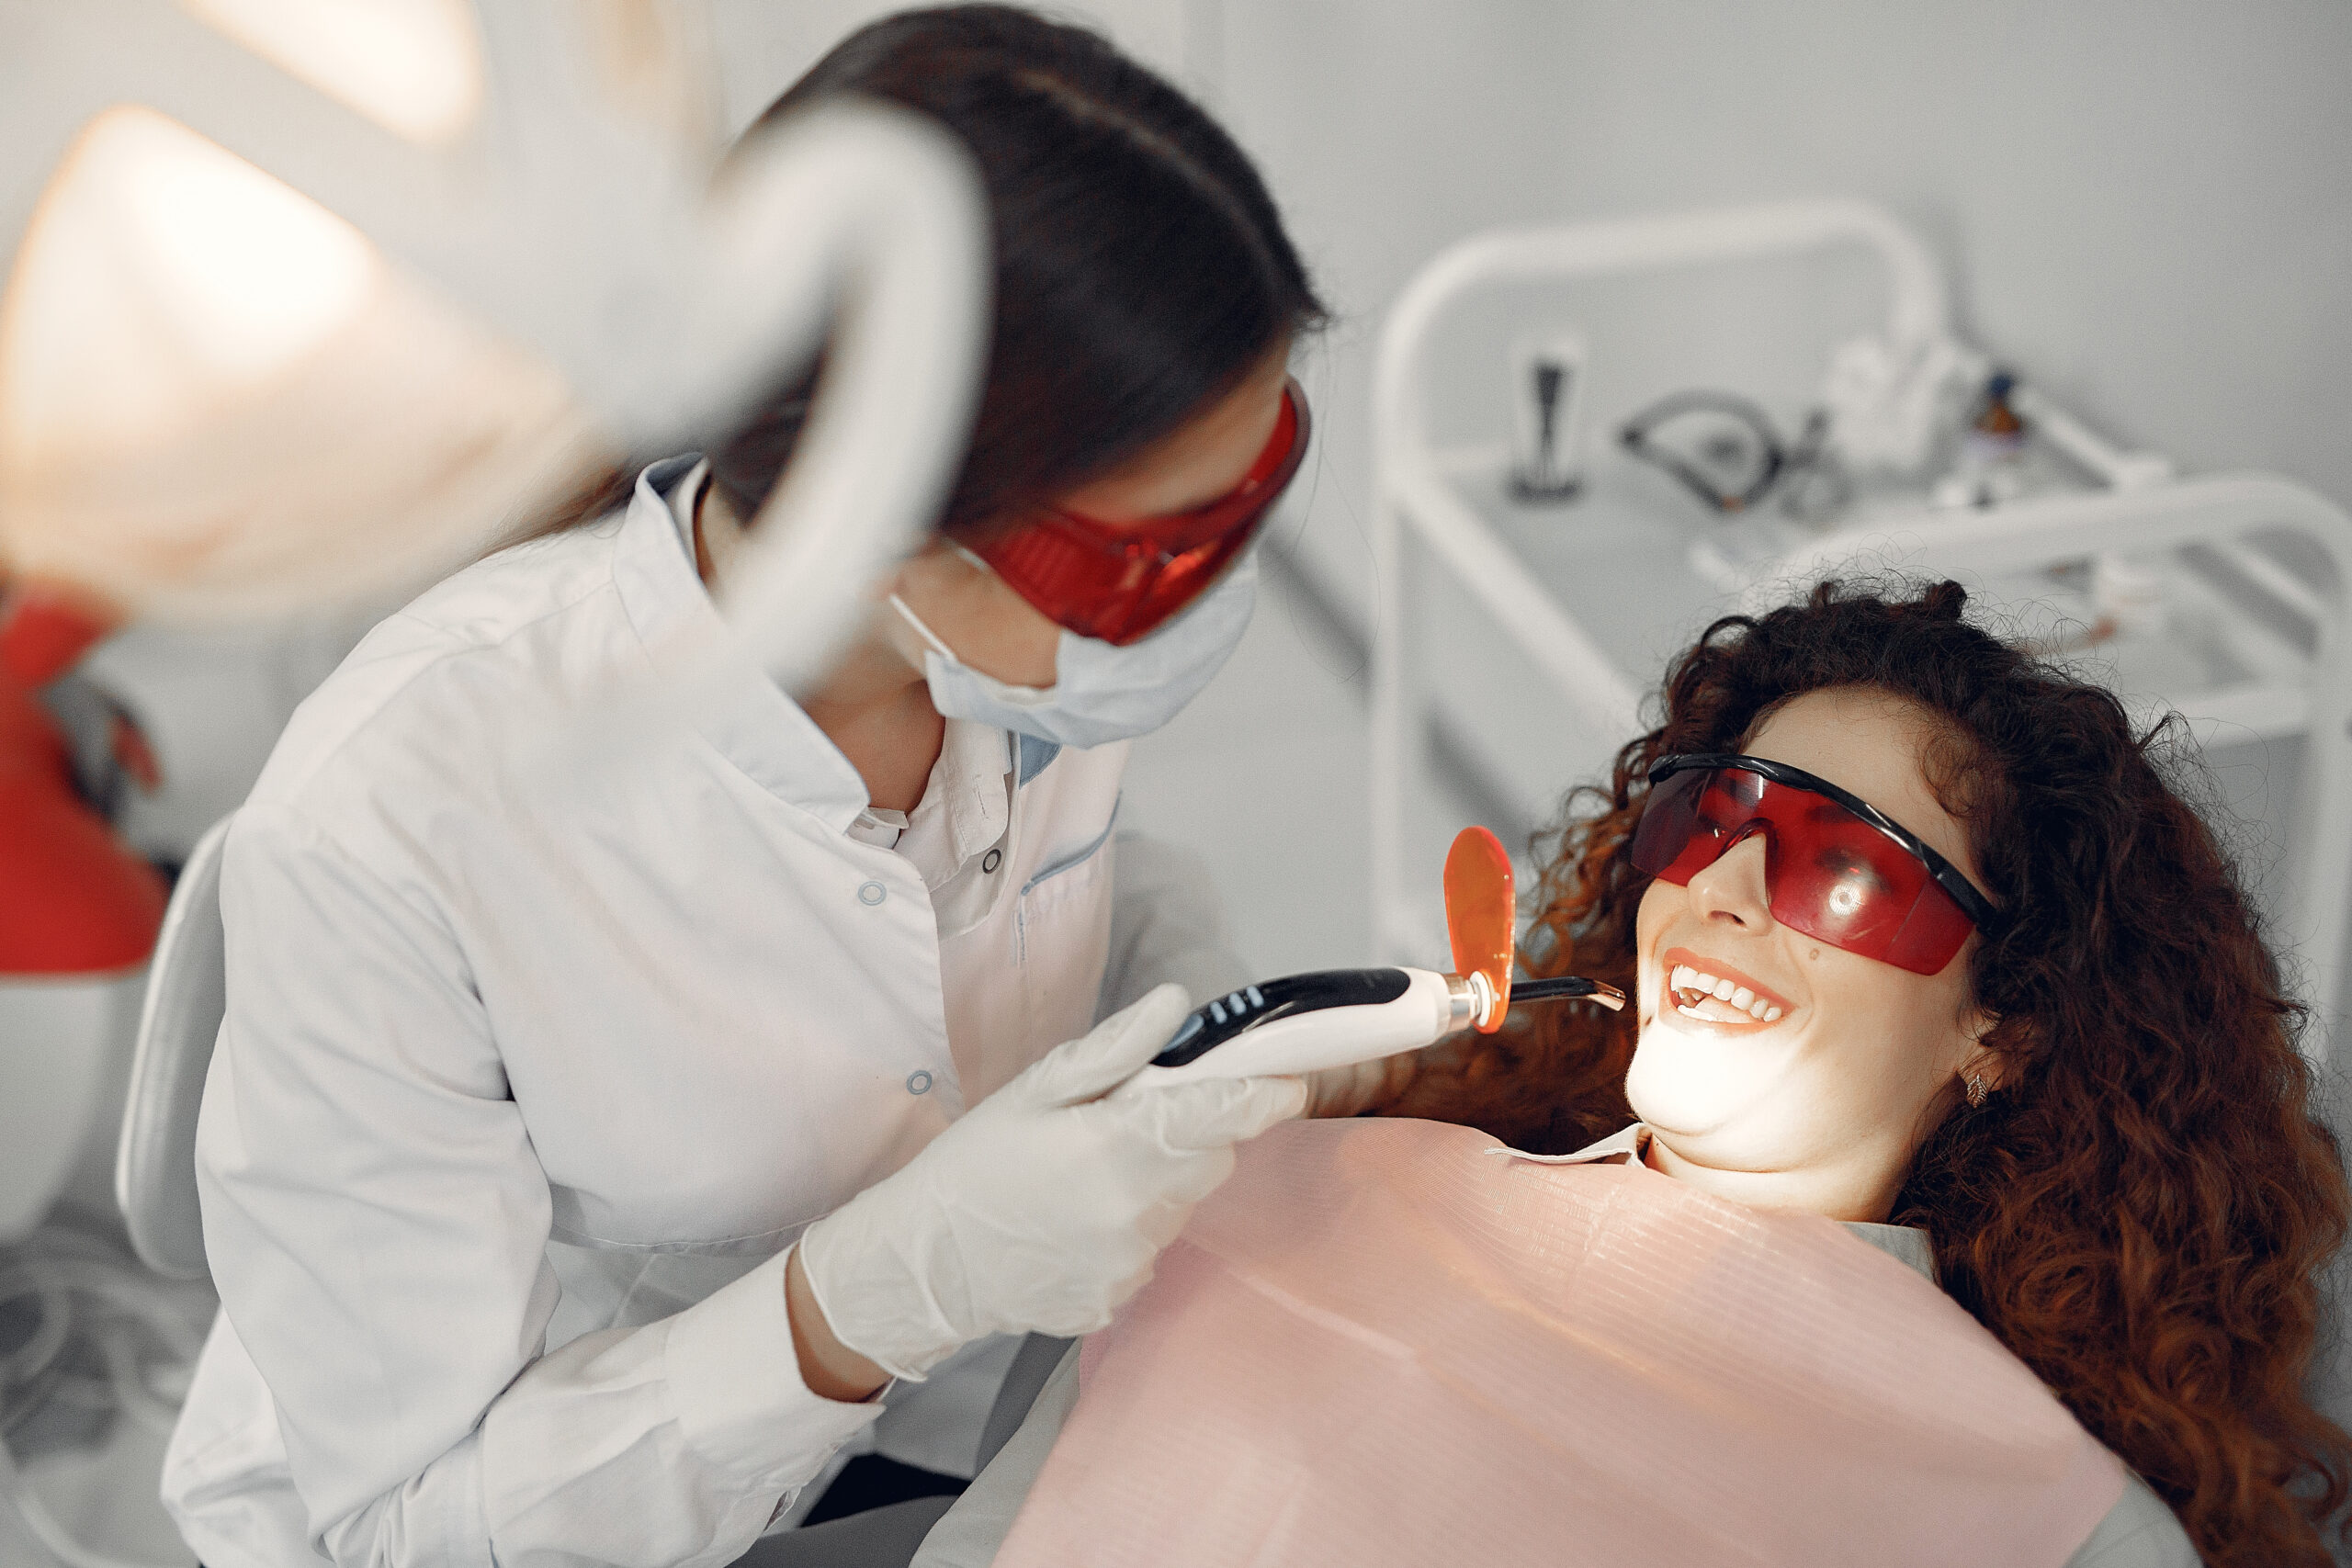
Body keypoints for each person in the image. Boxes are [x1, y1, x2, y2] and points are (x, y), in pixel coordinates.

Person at [159, 8, 1329, 1565]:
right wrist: (862, 1301)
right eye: (1163, 556)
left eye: (1258, 488)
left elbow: (1015, 912)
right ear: (887, 522)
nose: (1218, 594)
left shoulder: (997, 657)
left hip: (930, 1439)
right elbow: (405, 1530)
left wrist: (1199, 1005)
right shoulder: (397, 820)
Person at [918, 581, 2352, 1568]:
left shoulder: (2050, 1527)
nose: (1719, 886)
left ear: (2003, 1029)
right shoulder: (1287, 1185)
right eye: (1709, 815)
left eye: (1843, 867)